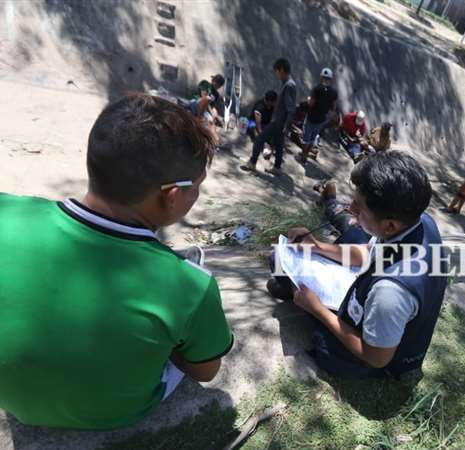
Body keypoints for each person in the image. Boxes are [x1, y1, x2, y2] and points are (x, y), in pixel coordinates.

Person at [0, 95, 234, 430]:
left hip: (10, 397)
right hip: (112, 414)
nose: (196, 196)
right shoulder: (191, 286)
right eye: (196, 188)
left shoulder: (6, 211)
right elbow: (205, 371)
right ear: (171, 196)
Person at [274, 152, 448, 378]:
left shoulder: (390, 293)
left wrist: (318, 311)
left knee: (326, 345)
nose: (350, 208)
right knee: (355, 236)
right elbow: (368, 253)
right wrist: (316, 246)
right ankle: (294, 289)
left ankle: (296, 294)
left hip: (376, 357)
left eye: (359, 206)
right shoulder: (419, 221)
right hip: (381, 308)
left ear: (389, 227)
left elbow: (376, 358)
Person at [241, 58, 297, 175]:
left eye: (277, 72)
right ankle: (277, 168)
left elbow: (291, 108)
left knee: (260, 139)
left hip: (278, 122)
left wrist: (287, 126)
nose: (277, 75)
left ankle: (252, 163)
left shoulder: (289, 85)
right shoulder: (287, 84)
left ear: (281, 70)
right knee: (279, 144)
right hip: (279, 121)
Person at [297, 67, 339, 165]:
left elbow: (311, 103)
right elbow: (333, 107)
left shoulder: (316, 89)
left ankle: (303, 157)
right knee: (312, 138)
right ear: (331, 79)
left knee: (305, 138)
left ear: (321, 77)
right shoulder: (334, 92)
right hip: (321, 119)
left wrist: (307, 100)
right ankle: (305, 155)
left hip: (311, 117)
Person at [247, 90, 277, 159]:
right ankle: (264, 147)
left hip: (265, 124)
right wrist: (262, 136)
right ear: (269, 101)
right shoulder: (259, 107)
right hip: (254, 123)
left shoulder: (272, 105)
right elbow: (258, 125)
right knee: (257, 136)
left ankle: (268, 147)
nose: (275, 103)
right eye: (274, 102)